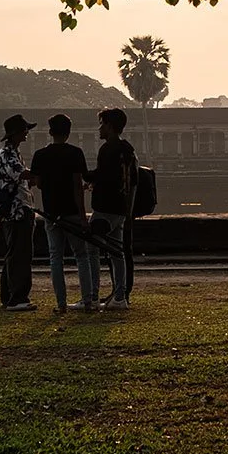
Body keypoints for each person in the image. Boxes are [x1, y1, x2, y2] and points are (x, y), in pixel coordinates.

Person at [30, 113, 99, 313]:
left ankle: (61, 304)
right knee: (81, 256)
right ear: (68, 133)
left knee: (55, 258)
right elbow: (78, 186)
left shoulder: (40, 155)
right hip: (72, 212)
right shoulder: (75, 153)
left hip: (52, 213)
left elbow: (38, 183)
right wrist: (82, 216)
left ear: (50, 132)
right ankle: (88, 302)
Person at [89, 108, 139, 309]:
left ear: (109, 127)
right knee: (117, 252)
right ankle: (120, 296)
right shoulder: (128, 149)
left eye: (102, 124)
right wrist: (129, 210)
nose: (99, 129)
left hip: (104, 207)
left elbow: (102, 176)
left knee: (90, 250)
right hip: (120, 209)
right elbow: (132, 182)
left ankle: (91, 294)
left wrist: (81, 175)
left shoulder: (107, 149)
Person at [0, 115, 38, 312]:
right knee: (20, 254)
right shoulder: (8, 153)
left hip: (18, 208)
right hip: (16, 211)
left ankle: (9, 295)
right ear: (17, 133)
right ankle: (17, 297)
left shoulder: (13, 153)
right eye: (24, 130)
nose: (27, 133)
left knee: (14, 254)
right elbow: (21, 175)